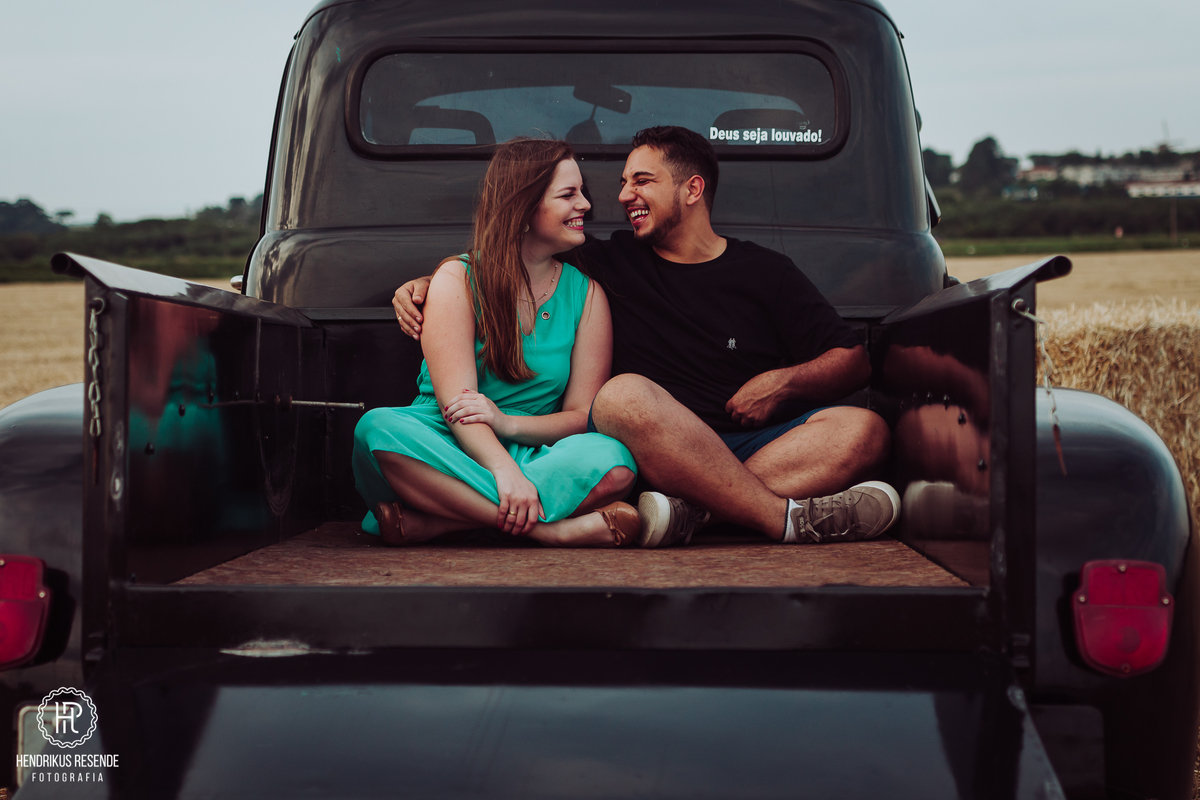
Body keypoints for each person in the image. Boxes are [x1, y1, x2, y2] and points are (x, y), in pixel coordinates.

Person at [394, 126, 899, 548]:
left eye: (641, 181)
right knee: (622, 395)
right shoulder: (605, 261)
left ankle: (692, 514)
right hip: (658, 452)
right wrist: (430, 283)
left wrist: (783, 383)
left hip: (757, 447)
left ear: (692, 190)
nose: (621, 196)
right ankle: (784, 520)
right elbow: (515, 254)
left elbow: (853, 362)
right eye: (622, 182)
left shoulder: (768, 272)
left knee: (865, 430)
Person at [353, 138, 639, 547]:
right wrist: (505, 474)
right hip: (446, 441)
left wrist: (507, 425)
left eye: (582, 192)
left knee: (614, 461)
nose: (585, 205)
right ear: (523, 207)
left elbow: (580, 416)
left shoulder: (587, 295)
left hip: (532, 446)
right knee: (378, 430)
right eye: (568, 195)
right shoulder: (456, 279)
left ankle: (444, 521)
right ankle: (551, 531)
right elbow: (458, 408)